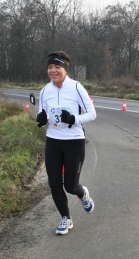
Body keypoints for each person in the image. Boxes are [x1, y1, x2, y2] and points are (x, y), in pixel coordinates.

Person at [36, 51, 96, 235]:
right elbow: (44, 114)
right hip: (53, 141)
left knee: (70, 186)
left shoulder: (77, 88)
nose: (53, 71)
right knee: (54, 184)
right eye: (50, 67)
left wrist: (73, 119)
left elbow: (92, 114)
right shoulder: (45, 90)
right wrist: (41, 119)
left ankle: (82, 193)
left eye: (57, 67)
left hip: (74, 142)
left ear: (65, 69)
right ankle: (65, 218)